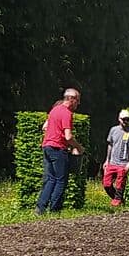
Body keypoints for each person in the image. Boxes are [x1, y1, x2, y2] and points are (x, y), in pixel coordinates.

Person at [36, 86, 81, 214]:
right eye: (77, 100)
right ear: (71, 99)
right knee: (61, 180)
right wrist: (78, 146)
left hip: (47, 147)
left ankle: (40, 207)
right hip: (57, 148)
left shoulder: (54, 110)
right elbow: (68, 136)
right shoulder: (67, 113)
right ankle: (55, 209)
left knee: (50, 179)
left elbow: (46, 127)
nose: (78, 104)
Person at [102, 109, 129, 207]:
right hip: (112, 162)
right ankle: (118, 199)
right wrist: (107, 160)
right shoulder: (113, 130)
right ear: (119, 119)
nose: (126, 122)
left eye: (127, 119)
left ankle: (117, 201)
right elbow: (110, 145)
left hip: (123, 163)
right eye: (124, 119)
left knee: (120, 184)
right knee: (106, 184)